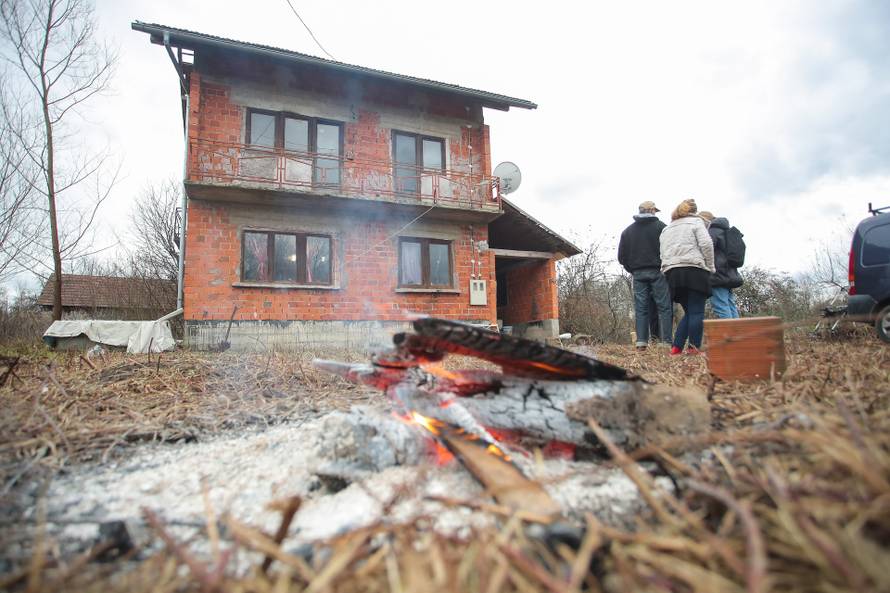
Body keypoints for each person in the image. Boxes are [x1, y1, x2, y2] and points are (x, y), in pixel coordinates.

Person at [659, 199, 715, 355]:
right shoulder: (696, 222)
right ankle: (694, 348)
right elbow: (706, 244)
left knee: (690, 312)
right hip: (694, 270)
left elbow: (662, 252)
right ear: (694, 211)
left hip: (672, 273)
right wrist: (710, 266)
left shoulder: (667, 229)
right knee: (696, 312)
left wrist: (666, 269)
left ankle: (676, 347)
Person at [617, 200, 673, 349]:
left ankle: (641, 341)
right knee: (664, 307)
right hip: (659, 272)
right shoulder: (663, 228)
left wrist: (633, 269)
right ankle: (666, 342)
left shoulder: (628, 231)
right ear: (653, 211)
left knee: (641, 308)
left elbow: (621, 257)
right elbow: (671, 250)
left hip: (638, 274)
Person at [699, 211, 743, 318]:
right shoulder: (725, 231)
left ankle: (729, 334)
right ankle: (738, 331)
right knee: (730, 304)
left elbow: (705, 250)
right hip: (730, 274)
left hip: (717, 275)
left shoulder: (712, 232)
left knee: (720, 306)